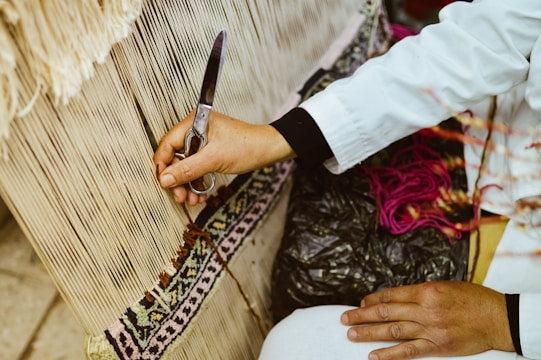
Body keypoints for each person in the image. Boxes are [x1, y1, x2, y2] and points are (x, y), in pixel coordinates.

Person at [154, 0, 541, 358]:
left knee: (297, 349)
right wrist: (277, 138)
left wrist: (506, 322)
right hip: (499, 154)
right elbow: (482, 41)